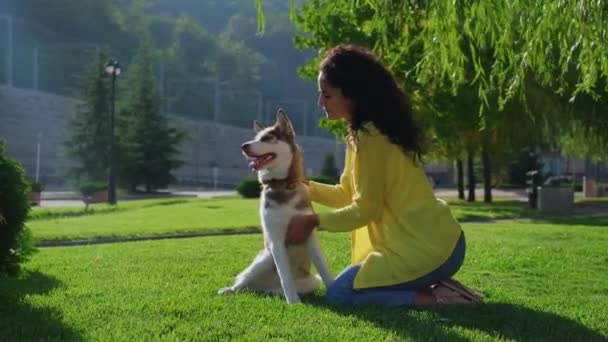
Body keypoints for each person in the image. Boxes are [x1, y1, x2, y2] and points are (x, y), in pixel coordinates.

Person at [286, 44, 481, 307]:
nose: (321, 103)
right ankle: (438, 287)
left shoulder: (371, 137)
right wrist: (303, 186)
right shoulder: (361, 134)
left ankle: (441, 297)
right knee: (346, 288)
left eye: (327, 95)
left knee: (340, 293)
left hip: (428, 248)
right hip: (429, 244)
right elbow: (346, 193)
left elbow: (365, 210)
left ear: (352, 94)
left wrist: (312, 222)